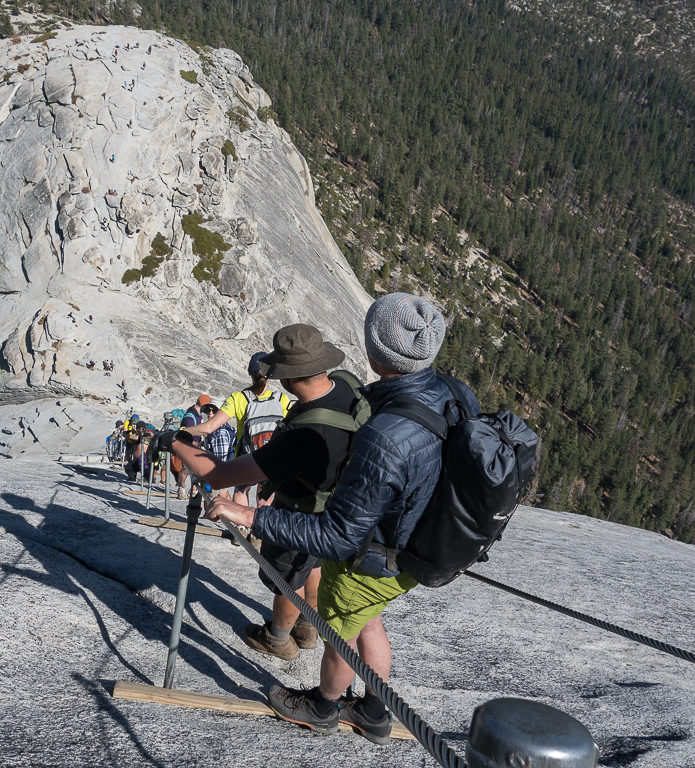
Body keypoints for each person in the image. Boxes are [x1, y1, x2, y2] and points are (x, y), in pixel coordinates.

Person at [205, 294, 479, 744]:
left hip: (376, 552)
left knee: (339, 632)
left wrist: (251, 515)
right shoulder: (452, 391)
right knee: (369, 621)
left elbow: (336, 536)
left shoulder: (385, 435)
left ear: (375, 348)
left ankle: (321, 706)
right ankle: (373, 710)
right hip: (421, 539)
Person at [164, 325, 362, 660]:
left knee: (289, 577)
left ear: (287, 377)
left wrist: (175, 441)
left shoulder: (302, 434)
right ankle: (308, 628)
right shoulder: (346, 387)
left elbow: (218, 474)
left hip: (298, 509)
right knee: (313, 567)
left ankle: (278, 637)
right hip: (335, 506)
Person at [184, 352, 290, 505]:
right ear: (270, 374)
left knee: (241, 490)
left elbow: (208, 428)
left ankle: (241, 527)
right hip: (272, 456)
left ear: (249, 373)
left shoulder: (238, 398)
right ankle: (259, 527)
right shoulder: (281, 399)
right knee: (264, 495)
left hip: (247, 457)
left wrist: (181, 432)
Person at [175, 394, 211, 499]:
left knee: (193, 470)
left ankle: (193, 490)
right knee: (186, 469)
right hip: (189, 447)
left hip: (195, 446)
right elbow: (188, 435)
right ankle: (182, 488)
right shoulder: (190, 417)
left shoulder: (197, 415)